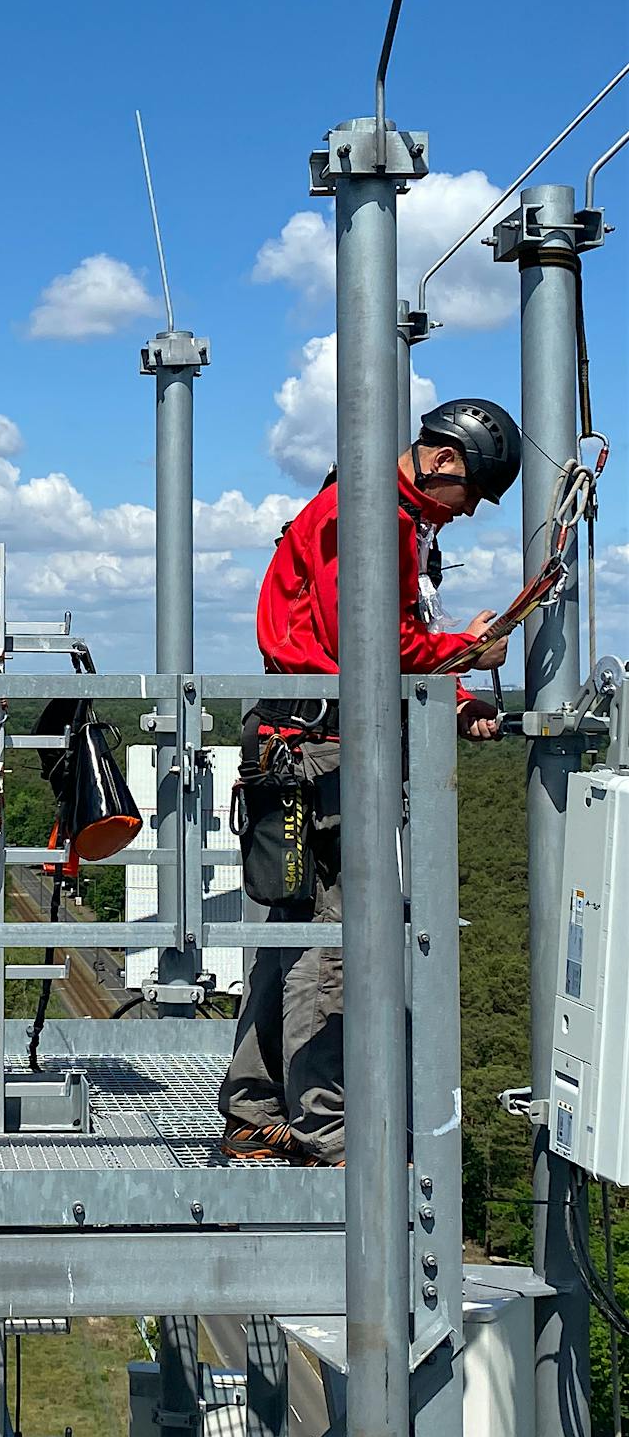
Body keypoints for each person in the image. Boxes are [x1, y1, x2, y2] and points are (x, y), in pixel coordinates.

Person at [217, 398, 522, 1165]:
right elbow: (372, 645)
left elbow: (372, 646)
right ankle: (329, 1136)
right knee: (334, 945)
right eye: (472, 496)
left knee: (292, 937)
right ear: (445, 461)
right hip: (325, 752)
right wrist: (468, 650)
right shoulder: (370, 519)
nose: (465, 514)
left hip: (300, 741)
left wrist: (453, 700)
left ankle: (255, 1111)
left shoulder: (370, 513)